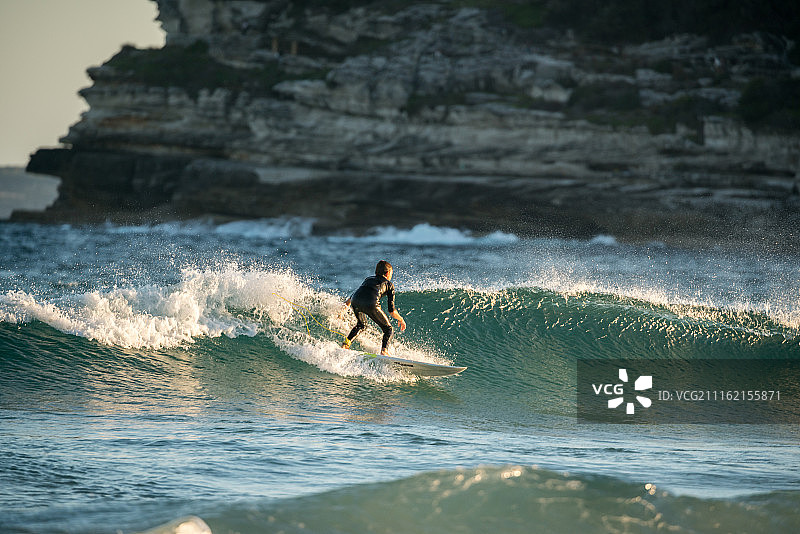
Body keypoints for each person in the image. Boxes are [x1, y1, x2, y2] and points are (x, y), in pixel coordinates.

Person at [342, 260, 406, 356]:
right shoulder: (389, 284)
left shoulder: (368, 279)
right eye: (391, 274)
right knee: (388, 329)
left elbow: (355, 293)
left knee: (361, 325)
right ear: (388, 273)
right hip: (371, 303)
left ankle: (345, 345)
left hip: (356, 300)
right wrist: (401, 319)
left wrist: (345, 306)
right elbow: (391, 311)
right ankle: (384, 351)